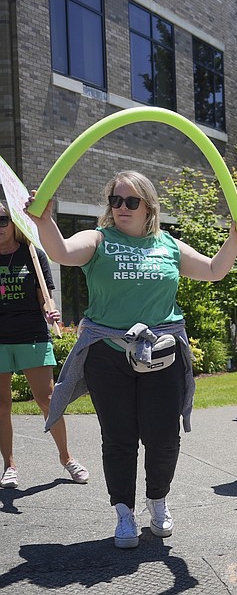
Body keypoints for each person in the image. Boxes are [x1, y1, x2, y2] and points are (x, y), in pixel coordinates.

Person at [27, 171, 237, 549]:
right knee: (118, 438)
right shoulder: (99, 240)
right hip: (107, 355)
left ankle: (157, 500)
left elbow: (215, 270)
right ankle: (123, 512)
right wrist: (45, 220)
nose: (122, 208)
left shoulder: (168, 245)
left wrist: (235, 238)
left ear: (149, 206)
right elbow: (61, 253)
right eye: (116, 200)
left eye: (131, 201)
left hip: (161, 354)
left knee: (164, 438)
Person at [0, 202, 88, 489]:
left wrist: (51, 312)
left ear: (13, 222)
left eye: (2, 220)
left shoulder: (33, 255)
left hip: (32, 336)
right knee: (2, 406)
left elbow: (45, 301)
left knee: (48, 401)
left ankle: (67, 458)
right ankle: (9, 466)